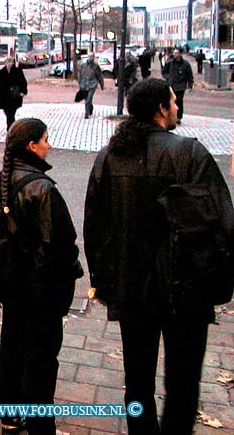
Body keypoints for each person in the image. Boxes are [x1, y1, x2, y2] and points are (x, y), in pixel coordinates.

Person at [84, 78, 233, 435]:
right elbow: (223, 225)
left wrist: (103, 281)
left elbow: (95, 228)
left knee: (138, 383)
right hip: (186, 291)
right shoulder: (190, 153)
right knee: (182, 384)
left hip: (132, 289)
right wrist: (217, 285)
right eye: (173, 102)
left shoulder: (109, 156)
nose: (178, 107)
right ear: (160, 110)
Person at [0, 118, 83, 435]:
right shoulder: (42, 189)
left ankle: (10, 415)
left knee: (13, 346)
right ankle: (41, 426)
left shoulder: (3, 178)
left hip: (12, 283)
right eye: (46, 139)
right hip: (39, 289)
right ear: (31, 146)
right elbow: (59, 246)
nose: (49, 144)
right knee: (41, 360)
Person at [0, 57, 28, 130]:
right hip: (4, 96)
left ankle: (10, 127)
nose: (9, 64)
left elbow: (23, 82)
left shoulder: (17, 71)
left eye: (10, 62)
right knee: (8, 112)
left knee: (11, 112)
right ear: (5, 63)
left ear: (13, 63)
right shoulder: (1, 72)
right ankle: (12, 126)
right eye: (7, 62)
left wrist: (23, 91)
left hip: (15, 95)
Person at [162, 48, 193, 124]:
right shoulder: (170, 63)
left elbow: (189, 75)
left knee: (179, 101)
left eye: (176, 53)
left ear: (180, 54)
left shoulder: (186, 64)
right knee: (171, 101)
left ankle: (178, 117)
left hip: (181, 86)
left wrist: (190, 85)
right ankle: (171, 116)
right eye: (174, 53)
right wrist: (168, 77)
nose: (174, 54)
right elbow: (164, 71)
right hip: (171, 85)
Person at [78, 52, 105, 119]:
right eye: (89, 56)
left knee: (89, 98)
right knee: (87, 99)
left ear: (93, 57)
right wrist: (80, 84)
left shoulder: (96, 66)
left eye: (92, 56)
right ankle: (90, 109)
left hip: (92, 84)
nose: (90, 58)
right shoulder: (83, 65)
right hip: (84, 85)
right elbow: (80, 75)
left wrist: (102, 85)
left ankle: (86, 113)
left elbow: (99, 76)